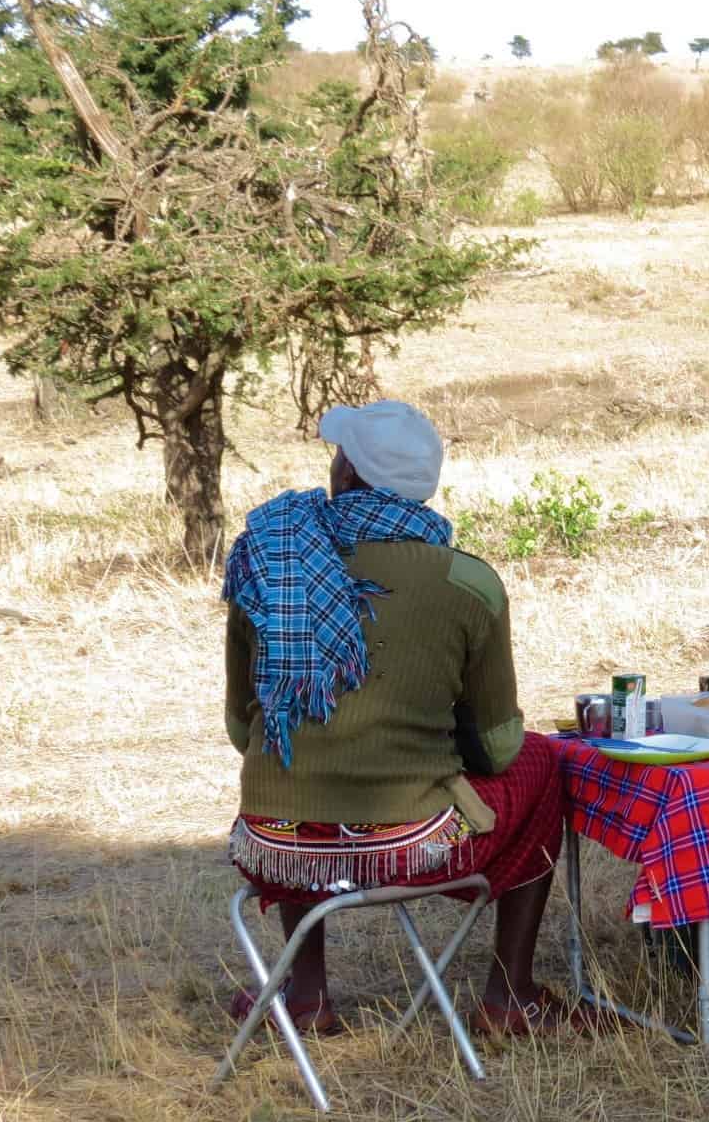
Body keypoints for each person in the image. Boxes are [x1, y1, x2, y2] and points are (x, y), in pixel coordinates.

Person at [221, 399, 597, 1038]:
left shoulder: (272, 561)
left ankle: (307, 996)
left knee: (295, 771)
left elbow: (242, 729)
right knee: (541, 760)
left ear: (348, 474)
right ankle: (511, 996)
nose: (332, 466)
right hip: (412, 849)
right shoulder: (469, 583)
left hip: (274, 844)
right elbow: (500, 746)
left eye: (339, 455)